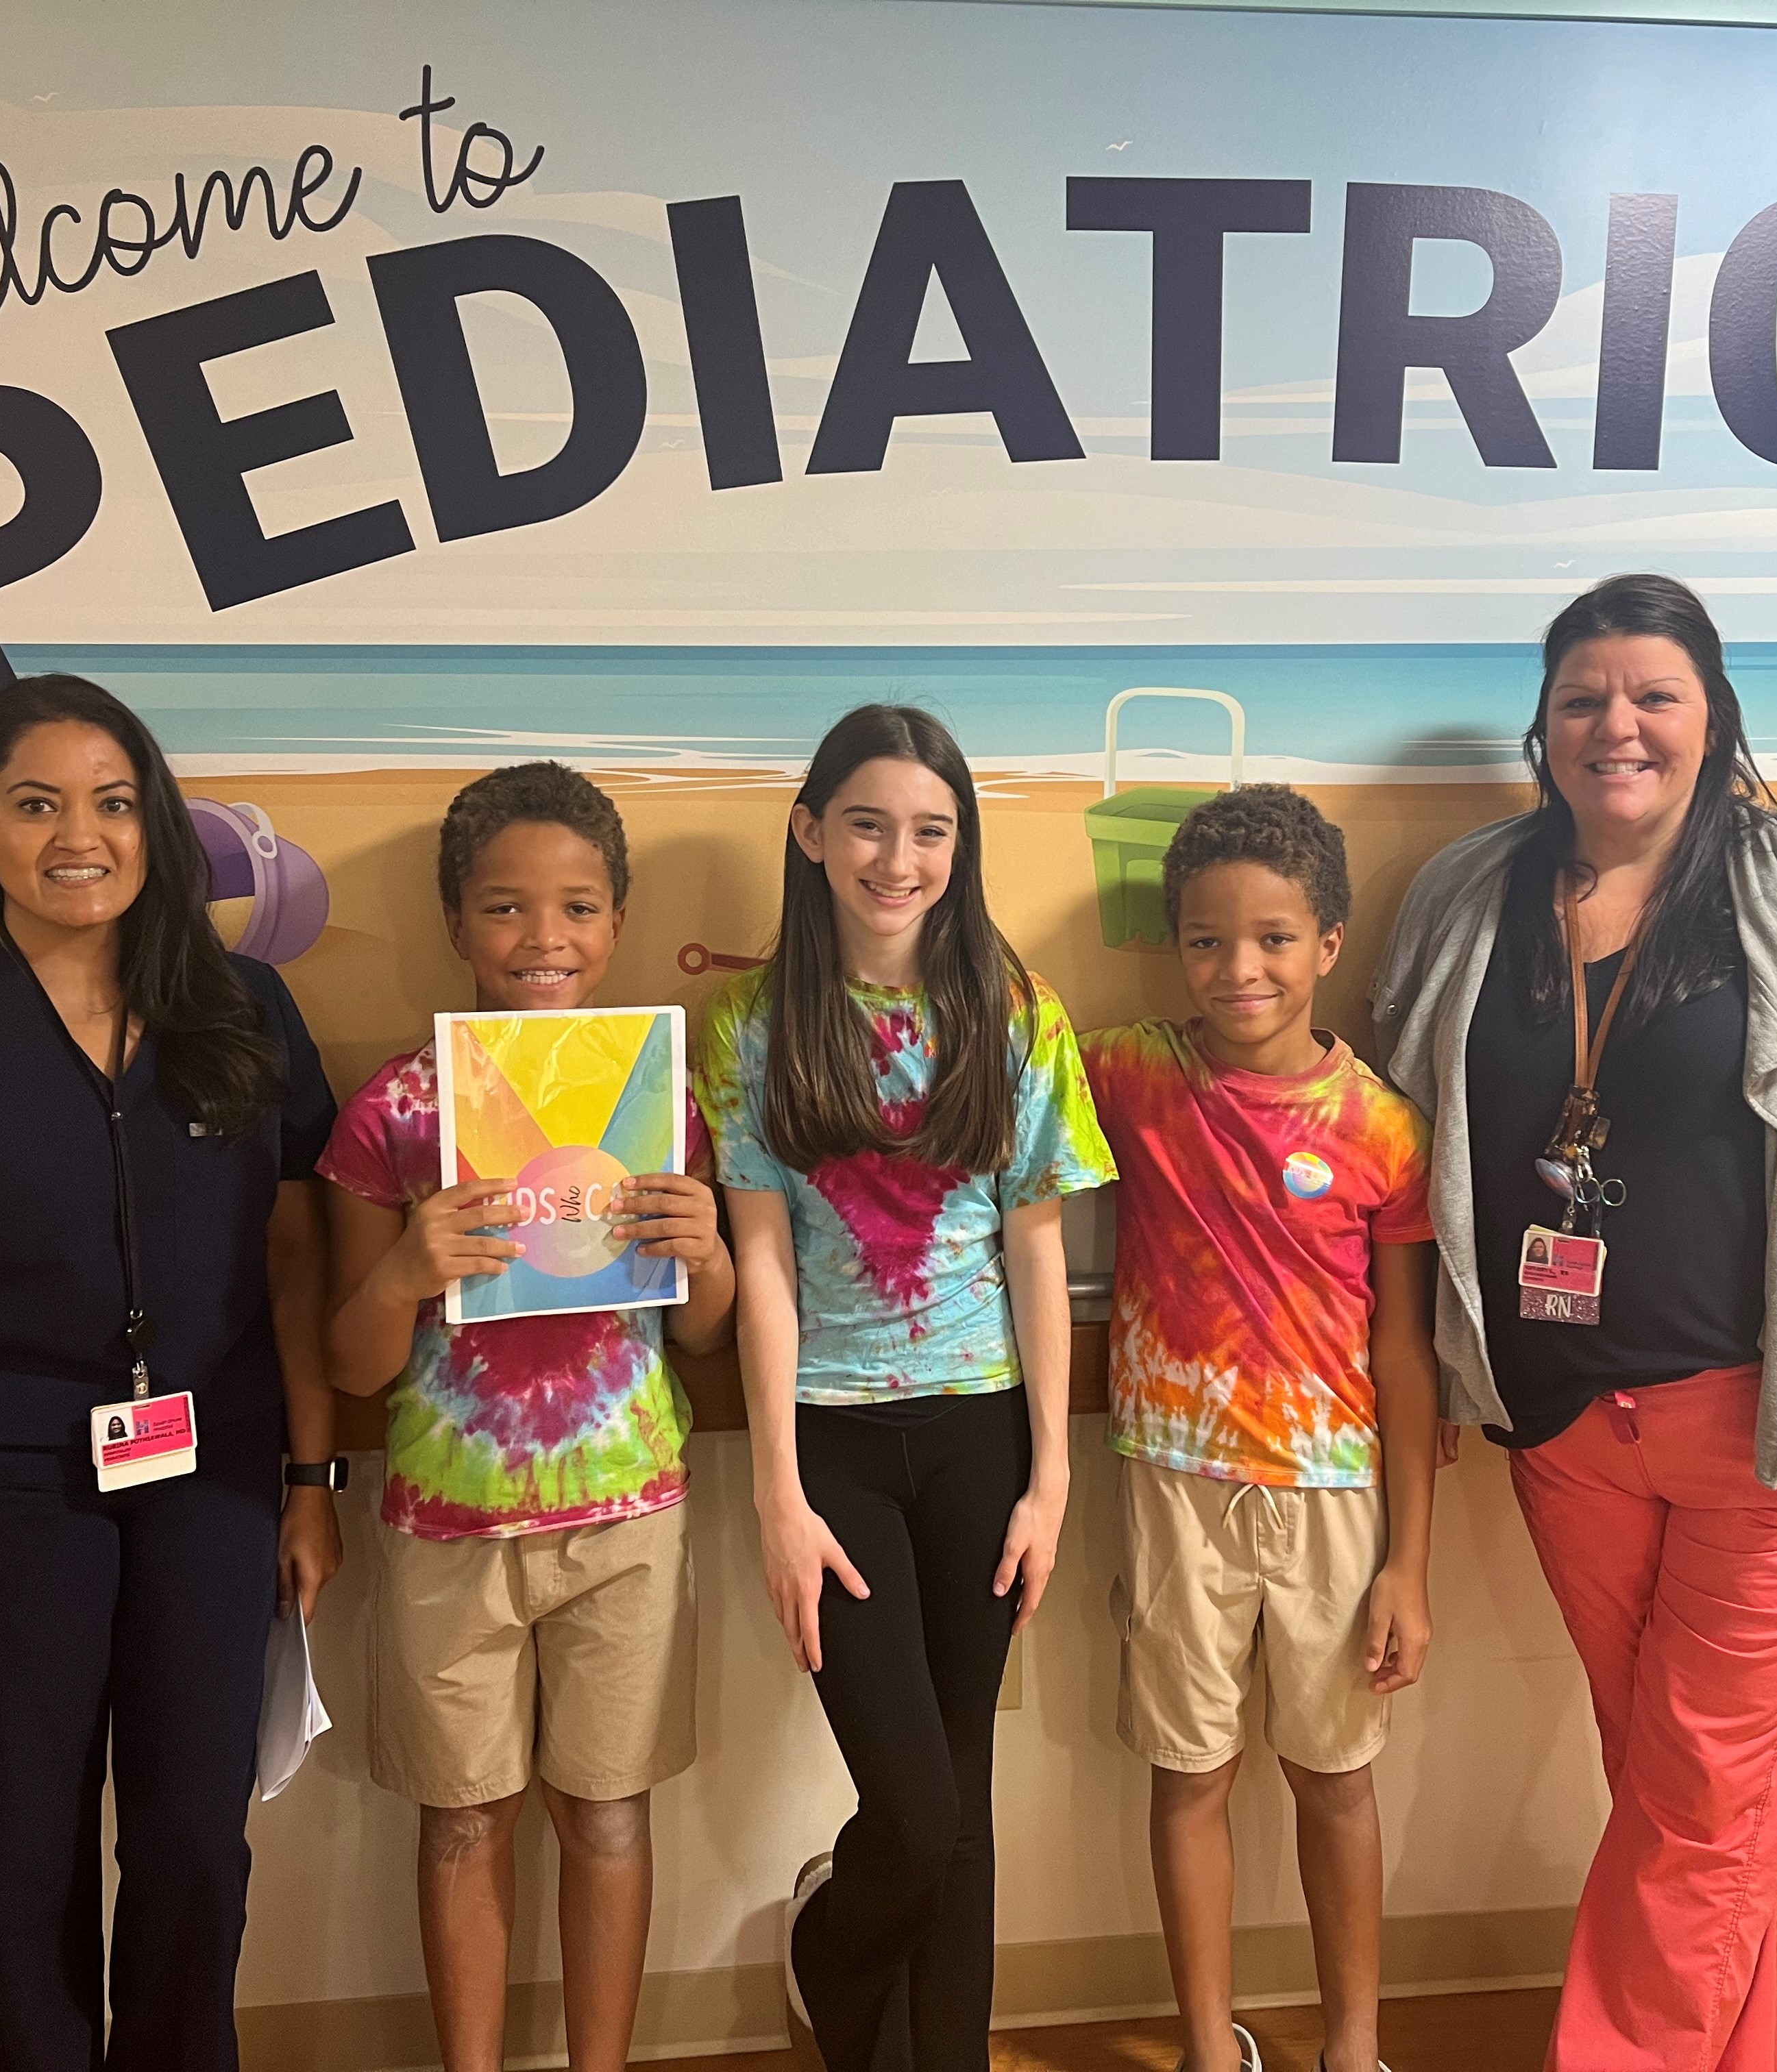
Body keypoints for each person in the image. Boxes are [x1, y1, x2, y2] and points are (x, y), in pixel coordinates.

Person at [1369, 574, 1777, 2071]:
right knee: (1679, 1790)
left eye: (1654, 696)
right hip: (1566, 1428)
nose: (1616, 725)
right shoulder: (1467, 892)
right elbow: (1395, 1124)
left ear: (1713, 719)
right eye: (1584, 698)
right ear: (1546, 724)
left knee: (1701, 1800)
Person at [0, 675, 341, 2071]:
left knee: (199, 1848)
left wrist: (315, 1479)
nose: (74, 835)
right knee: (23, 1861)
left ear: (158, 827)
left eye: (111, 802)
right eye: (34, 804)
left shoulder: (246, 1008)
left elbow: (294, 1271)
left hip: (209, 1485)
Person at [696, 704, 1112, 2072]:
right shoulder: (750, 1023)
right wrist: (775, 1493)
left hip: (986, 1434)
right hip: (837, 1446)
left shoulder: (1013, 1008)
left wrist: (1051, 1477)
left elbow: (1036, 1245)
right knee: (918, 1809)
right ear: (811, 834)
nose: (900, 856)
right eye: (868, 823)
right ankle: (828, 1950)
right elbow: (760, 1265)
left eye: (932, 829)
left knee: (967, 1808)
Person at [321, 762, 737, 2072]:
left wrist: (709, 1253)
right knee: (463, 1822)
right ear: (454, 923)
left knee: (608, 1816)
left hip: (629, 1514)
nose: (543, 939)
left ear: (616, 922)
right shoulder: (396, 1110)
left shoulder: (663, 1100)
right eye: (504, 909)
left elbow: (706, 1333)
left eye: (577, 907)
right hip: (448, 1525)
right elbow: (348, 1361)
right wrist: (401, 1271)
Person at [1080, 786, 1437, 2072]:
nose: (1241, 969)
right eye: (1208, 940)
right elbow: (995, 1057)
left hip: (1336, 1496)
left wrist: (1408, 1560)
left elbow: (1404, 1350)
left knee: (1336, 1780)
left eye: (1276, 938)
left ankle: (1353, 2044)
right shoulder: (1127, 1073)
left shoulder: (1383, 1128)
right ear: (1175, 946)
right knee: (1191, 1774)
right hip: (1174, 1485)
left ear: (1329, 943)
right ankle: (1205, 2048)